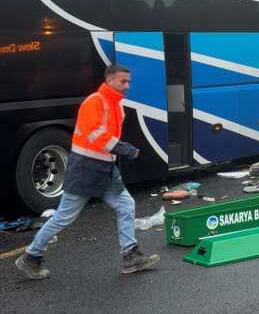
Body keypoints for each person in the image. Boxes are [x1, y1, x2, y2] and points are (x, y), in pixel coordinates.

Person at [16, 65, 160, 280]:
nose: (127, 86)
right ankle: (31, 256)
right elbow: (95, 134)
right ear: (109, 80)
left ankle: (131, 257)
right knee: (64, 217)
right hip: (85, 168)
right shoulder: (94, 102)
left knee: (126, 205)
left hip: (105, 169)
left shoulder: (117, 106)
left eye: (129, 81)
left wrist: (118, 152)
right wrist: (124, 148)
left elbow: (105, 138)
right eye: (123, 81)